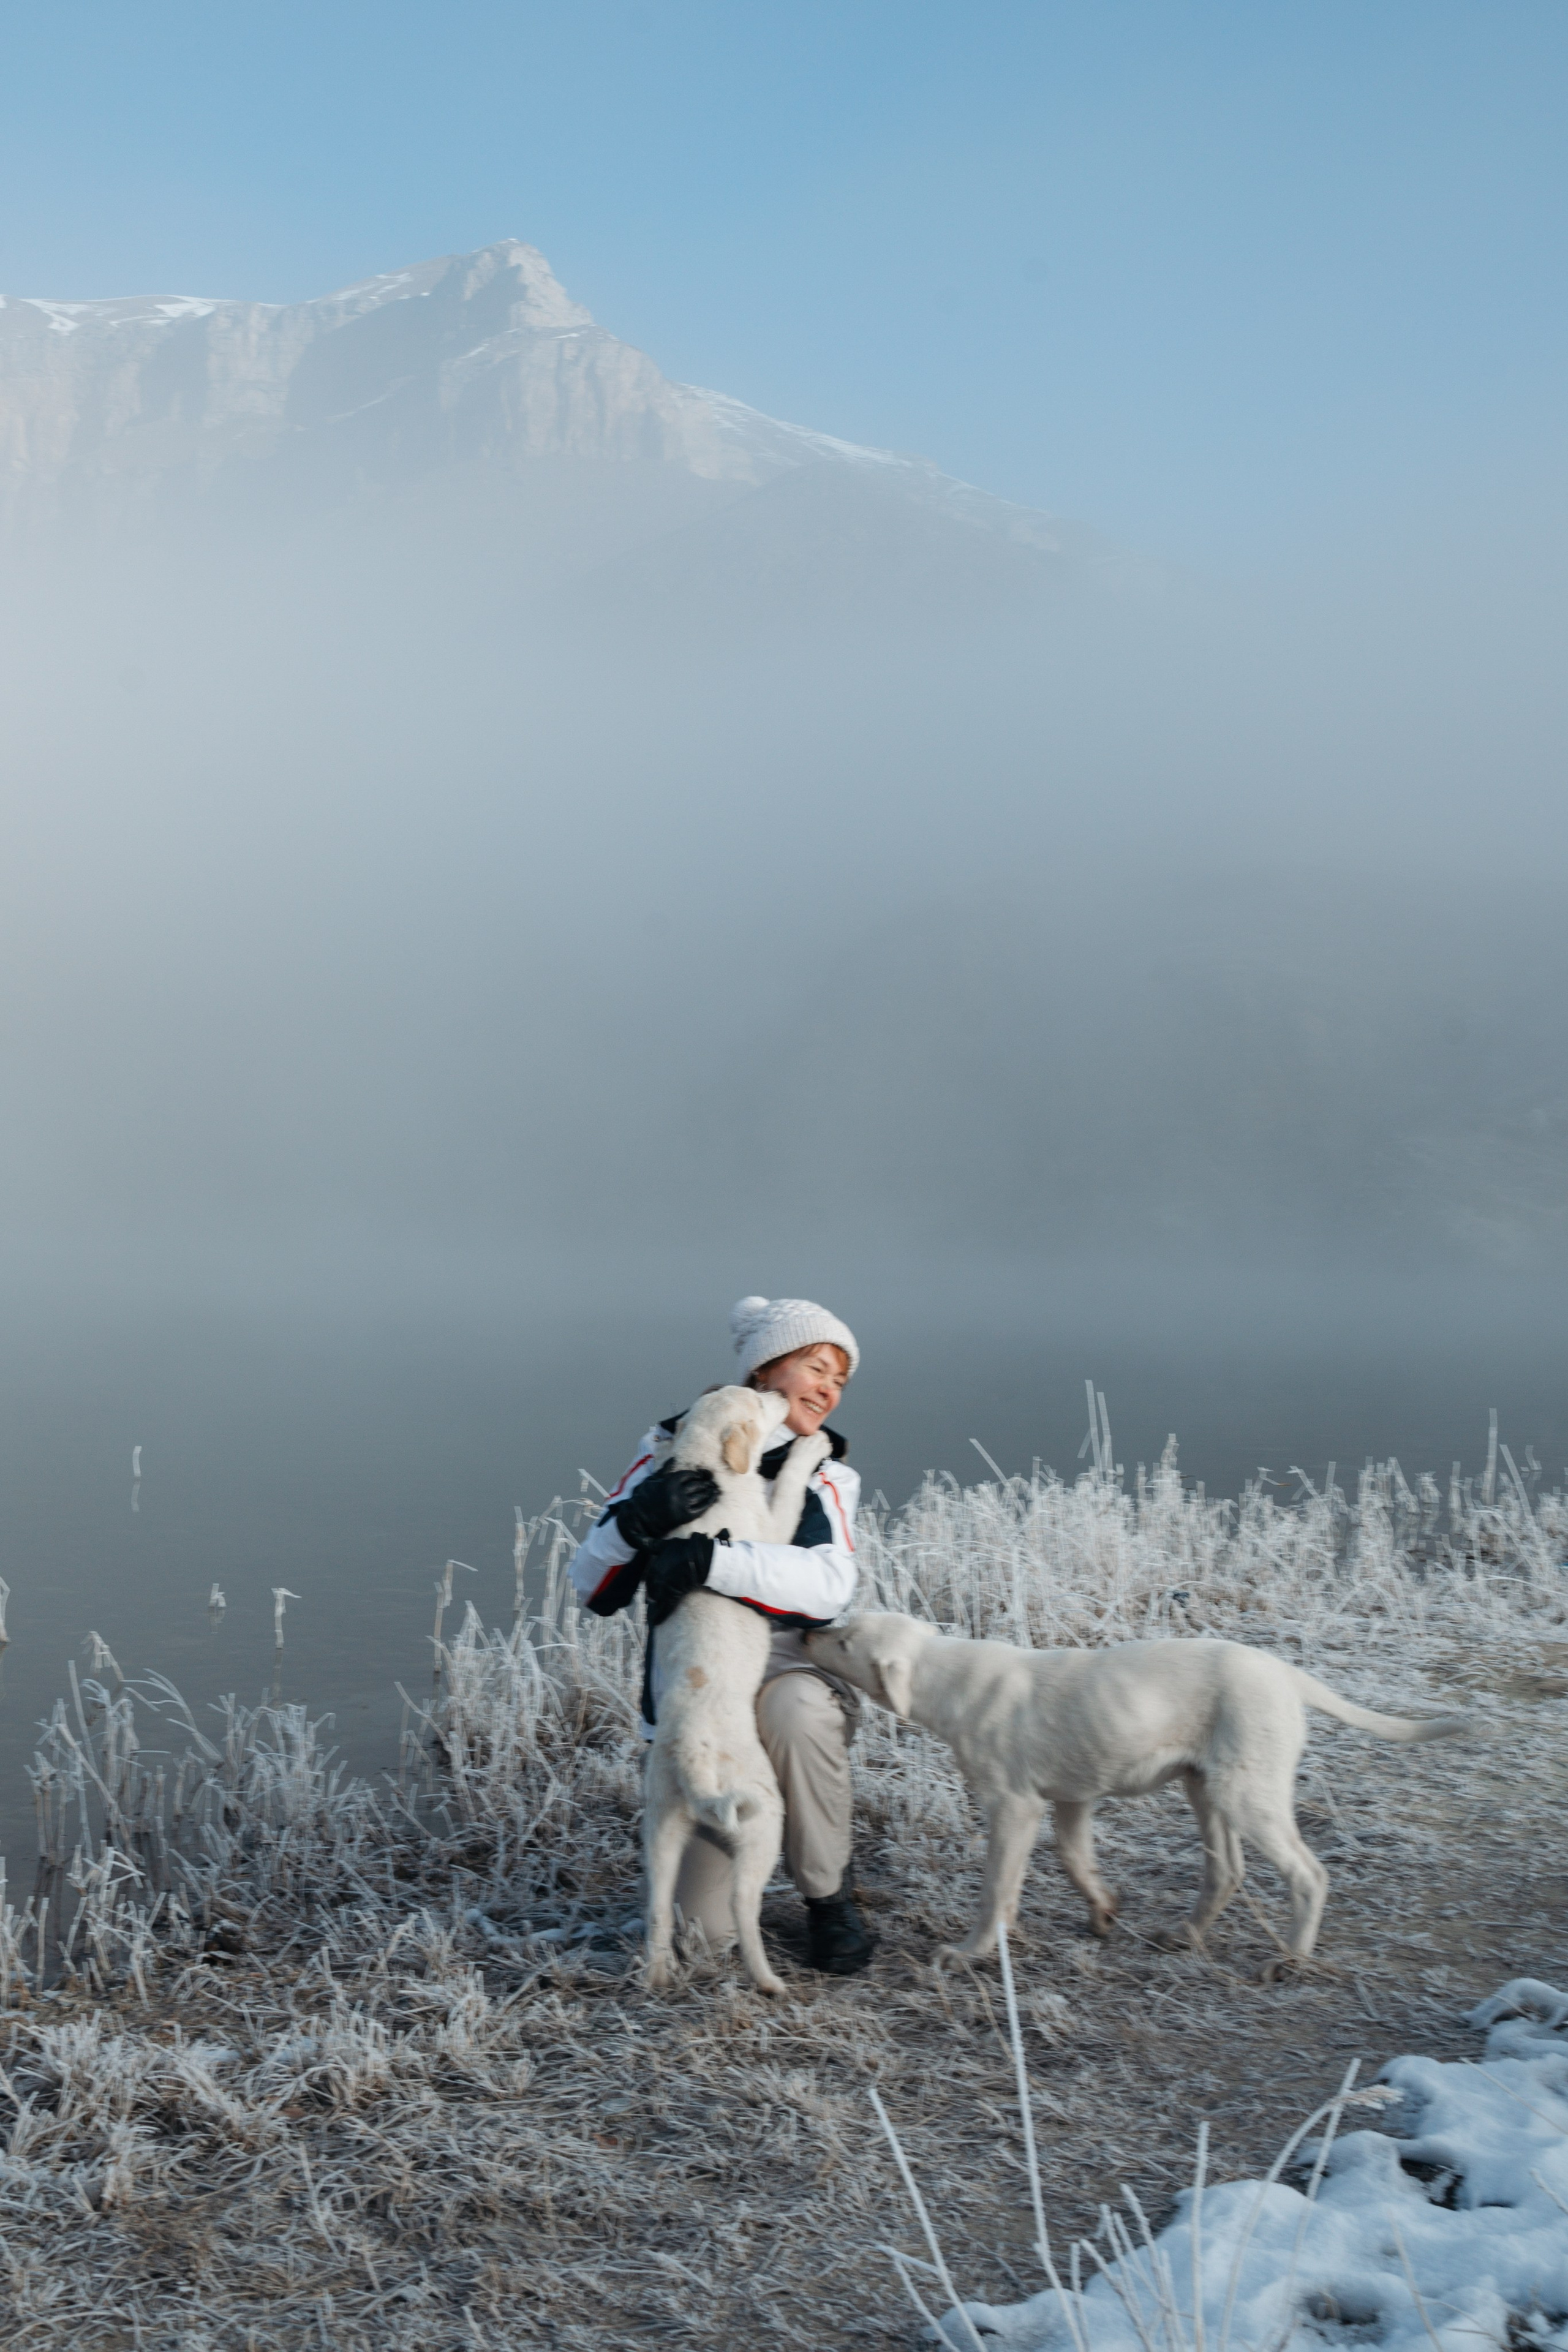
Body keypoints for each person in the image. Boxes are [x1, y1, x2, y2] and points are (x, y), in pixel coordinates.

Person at [569, 1295, 874, 1975]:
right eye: (816, 1368)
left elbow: (829, 1587)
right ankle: (722, 1874)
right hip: (702, 1696)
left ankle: (827, 1895)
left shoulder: (824, 1470)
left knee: (796, 1711)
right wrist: (636, 1523)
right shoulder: (668, 1450)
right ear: (765, 1371)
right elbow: (589, 1587)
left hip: (786, 1672)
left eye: (839, 1380)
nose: (828, 1390)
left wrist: (712, 1561)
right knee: (699, 1940)